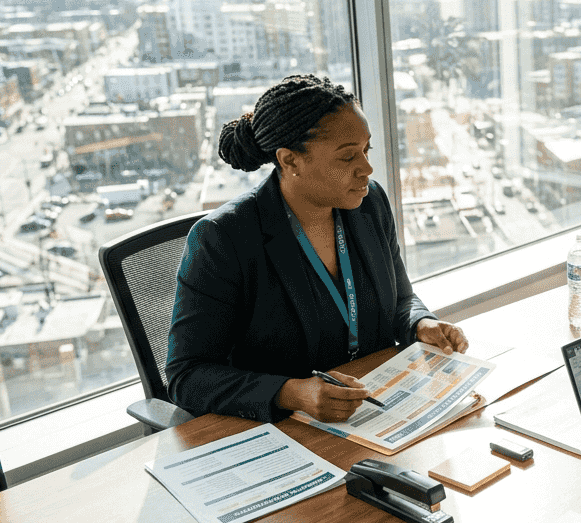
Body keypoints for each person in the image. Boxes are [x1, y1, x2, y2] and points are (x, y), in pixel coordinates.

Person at [167, 74, 468, 424]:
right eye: (347, 157)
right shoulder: (222, 238)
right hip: (284, 430)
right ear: (290, 160)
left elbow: (400, 300)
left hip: (372, 412)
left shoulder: (370, 205)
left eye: (366, 150)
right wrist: (292, 393)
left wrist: (421, 323)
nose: (367, 169)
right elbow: (186, 377)